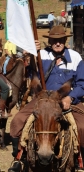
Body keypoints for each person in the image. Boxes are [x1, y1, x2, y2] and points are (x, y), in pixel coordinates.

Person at [8, 26, 84, 172]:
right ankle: (19, 158)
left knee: (81, 126)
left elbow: (82, 84)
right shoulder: (40, 54)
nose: (57, 43)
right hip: (43, 99)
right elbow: (31, 74)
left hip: (67, 99)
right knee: (18, 120)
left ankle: (80, 161)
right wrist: (31, 55)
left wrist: (71, 97)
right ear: (49, 41)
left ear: (65, 40)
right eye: (54, 40)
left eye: (61, 40)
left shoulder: (75, 57)